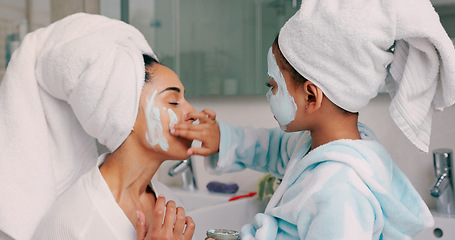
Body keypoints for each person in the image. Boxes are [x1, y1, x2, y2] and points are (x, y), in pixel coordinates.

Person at [171, 0, 455, 239]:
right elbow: (271, 147)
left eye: (273, 86)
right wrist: (222, 137)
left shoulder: (340, 189)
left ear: (310, 97)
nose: (268, 95)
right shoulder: (321, 146)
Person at [0, 13, 194, 240]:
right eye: (173, 102)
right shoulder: (72, 225)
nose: (192, 112)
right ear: (124, 114)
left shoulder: (169, 206)